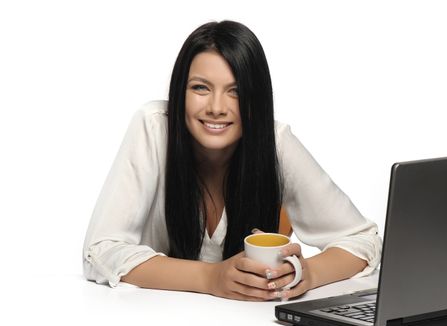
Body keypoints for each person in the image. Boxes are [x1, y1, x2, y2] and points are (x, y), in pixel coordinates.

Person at [82, 20, 382, 301]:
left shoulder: (275, 142)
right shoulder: (154, 127)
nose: (216, 108)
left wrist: (309, 273)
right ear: (179, 92)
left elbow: (361, 239)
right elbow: (100, 251)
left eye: (236, 92)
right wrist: (211, 278)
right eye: (200, 88)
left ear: (257, 99)